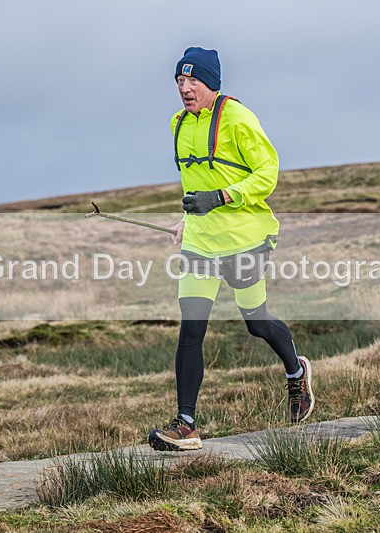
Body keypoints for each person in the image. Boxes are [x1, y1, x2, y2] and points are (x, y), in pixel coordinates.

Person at [148, 47, 314, 452]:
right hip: (201, 245)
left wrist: (221, 197)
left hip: (245, 239)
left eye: (193, 82)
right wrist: (188, 221)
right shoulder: (177, 123)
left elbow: (267, 174)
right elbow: (195, 183)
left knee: (256, 322)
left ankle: (296, 374)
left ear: (212, 84)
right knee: (191, 329)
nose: (185, 90)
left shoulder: (238, 118)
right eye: (179, 82)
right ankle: (186, 425)